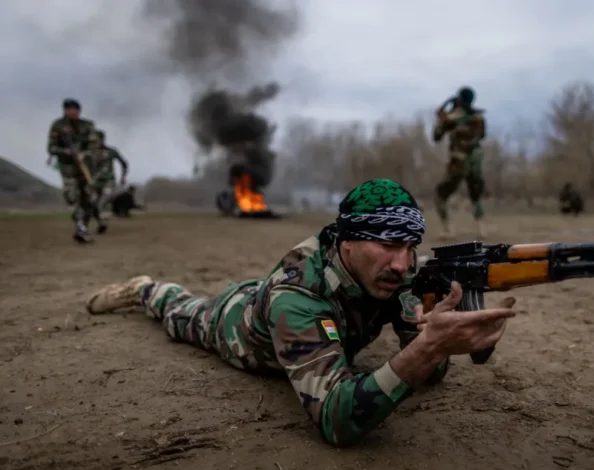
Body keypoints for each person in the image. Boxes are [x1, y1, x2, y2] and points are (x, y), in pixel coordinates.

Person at [85, 179, 517, 447]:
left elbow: (431, 370)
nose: (403, 264)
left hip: (293, 313)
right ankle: (145, 289)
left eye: (409, 247)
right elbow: (337, 420)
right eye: (387, 245)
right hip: (235, 323)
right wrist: (428, 349)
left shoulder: (394, 271)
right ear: (346, 243)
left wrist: (436, 331)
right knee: (181, 313)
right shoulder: (294, 296)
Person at [432, 86, 488, 239]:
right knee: (476, 195)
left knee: (440, 195)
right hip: (475, 161)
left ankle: (448, 230)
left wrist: (440, 118)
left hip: (459, 161)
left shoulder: (453, 117)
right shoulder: (479, 117)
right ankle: (481, 229)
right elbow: (482, 136)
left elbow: (437, 136)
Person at [47, 98, 100, 243]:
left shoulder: (88, 125)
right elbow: (51, 148)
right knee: (72, 197)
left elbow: (95, 145)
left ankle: (83, 227)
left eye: (75, 109)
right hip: (68, 168)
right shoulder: (58, 126)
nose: (72, 111)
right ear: (64, 110)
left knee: (88, 200)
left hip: (86, 169)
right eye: (69, 108)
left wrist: (85, 154)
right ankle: (80, 228)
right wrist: (65, 151)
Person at [92, 130, 129, 228]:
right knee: (92, 205)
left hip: (108, 181)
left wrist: (123, 176)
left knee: (102, 202)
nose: (95, 142)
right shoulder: (89, 153)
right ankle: (101, 223)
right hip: (93, 182)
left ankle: (103, 222)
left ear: (102, 139)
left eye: (97, 139)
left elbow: (124, 163)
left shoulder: (111, 151)